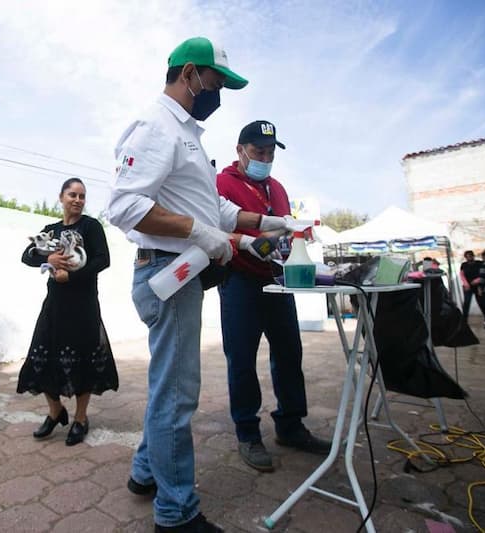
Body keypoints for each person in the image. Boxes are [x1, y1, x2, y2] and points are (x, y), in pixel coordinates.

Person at [107, 37, 295, 532]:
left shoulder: (186, 133)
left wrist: (273, 225)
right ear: (190, 73)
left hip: (182, 271)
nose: (219, 93)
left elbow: (216, 209)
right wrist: (202, 233)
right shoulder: (156, 125)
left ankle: (146, 473)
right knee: (176, 395)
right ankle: (176, 513)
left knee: (167, 385)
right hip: (167, 271)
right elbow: (124, 207)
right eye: (216, 82)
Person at [215, 121, 331, 472]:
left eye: (269, 152)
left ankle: (291, 424)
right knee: (242, 358)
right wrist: (252, 242)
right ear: (240, 150)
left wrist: (292, 238)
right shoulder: (222, 183)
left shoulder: (277, 188)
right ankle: (248, 433)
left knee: (288, 352)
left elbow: (284, 228)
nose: (265, 158)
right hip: (240, 281)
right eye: (258, 152)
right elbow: (218, 225)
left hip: (277, 280)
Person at [17, 178, 118, 446]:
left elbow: (102, 260)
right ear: (61, 197)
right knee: (41, 355)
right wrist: (47, 258)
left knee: (84, 359)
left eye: (82, 196)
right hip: (55, 304)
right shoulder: (50, 230)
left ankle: (81, 418)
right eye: (72, 194)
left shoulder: (91, 226)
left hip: (83, 303)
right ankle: (55, 411)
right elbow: (27, 255)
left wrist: (71, 277)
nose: (77, 199)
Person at [460, 250, 483, 321]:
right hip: (467, 286)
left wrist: (477, 280)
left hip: (478, 286)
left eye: (470, 256)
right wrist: (466, 284)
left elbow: (483, 273)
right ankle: (464, 319)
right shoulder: (464, 265)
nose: (469, 258)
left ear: (473, 256)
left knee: (481, 302)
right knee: (466, 303)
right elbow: (462, 275)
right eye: (467, 257)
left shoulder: (479, 263)